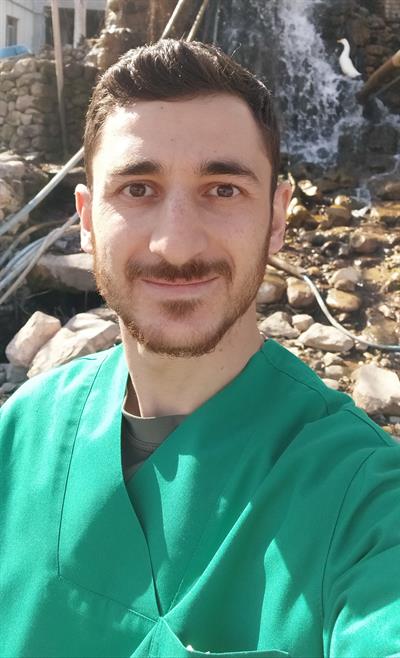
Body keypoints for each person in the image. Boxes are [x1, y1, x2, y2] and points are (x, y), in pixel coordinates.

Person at [1, 39, 400, 658]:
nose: (177, 245)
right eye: (138, 189)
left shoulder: (366, 500)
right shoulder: (23, 430)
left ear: (277, 217)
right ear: (86, 219)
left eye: (223, 189)